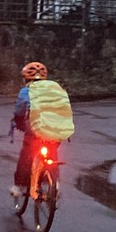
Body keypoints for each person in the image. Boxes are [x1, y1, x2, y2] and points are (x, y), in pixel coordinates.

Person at [10, 61, 75, 198]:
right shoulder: (56, 89)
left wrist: (18, 123)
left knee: (27, 153)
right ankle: (54, 185)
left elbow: (19, 111)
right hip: (58, 128)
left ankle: (19, 186)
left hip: (36, 131)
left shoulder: (26, 91)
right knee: (52, 152)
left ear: (26, 78)